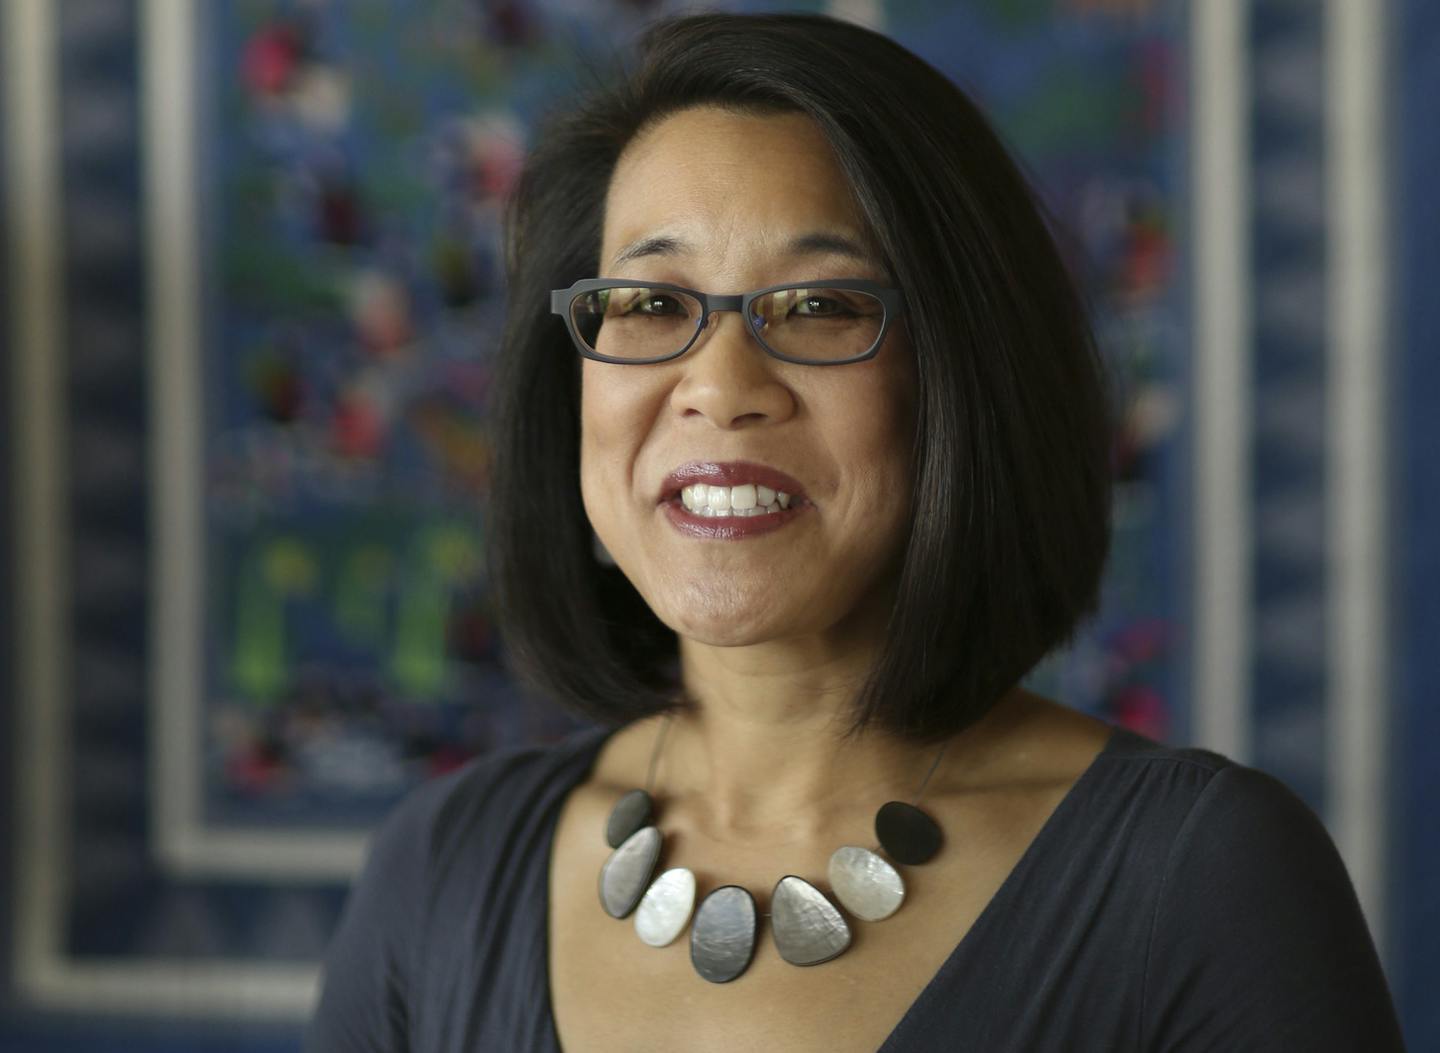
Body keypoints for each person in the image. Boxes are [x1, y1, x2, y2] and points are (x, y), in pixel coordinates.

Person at [305, 12, 1405, 1052]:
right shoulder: (438, 872)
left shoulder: (1207, 879)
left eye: (823, 306)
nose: (719, 388)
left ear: (960, 381)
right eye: (649, 304)